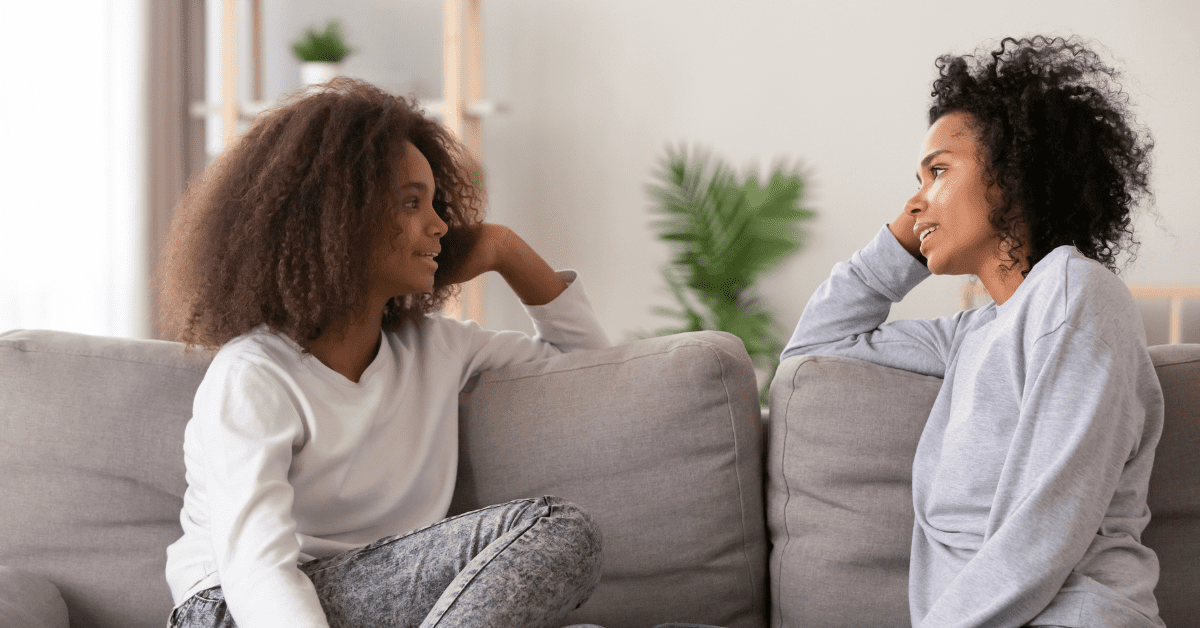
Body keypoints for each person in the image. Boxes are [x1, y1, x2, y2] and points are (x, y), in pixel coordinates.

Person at [159, 78, 609, 628]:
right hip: (237, 609)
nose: (441, 225)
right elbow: (258, 574)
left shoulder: (438, 347)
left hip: (386, 604)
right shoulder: (251, 374)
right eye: (410, 203)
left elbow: (588, 370)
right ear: (335, 220)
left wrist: (505, 249)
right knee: (561, 529)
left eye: (434, 201)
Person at [782, 36, 1163, 627]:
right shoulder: (971, 334)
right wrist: (909, 231)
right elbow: (813, 350)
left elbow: (1047, 526)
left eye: (938, 171)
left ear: (1011, 176)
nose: (915, 202)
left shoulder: (1077, 293)